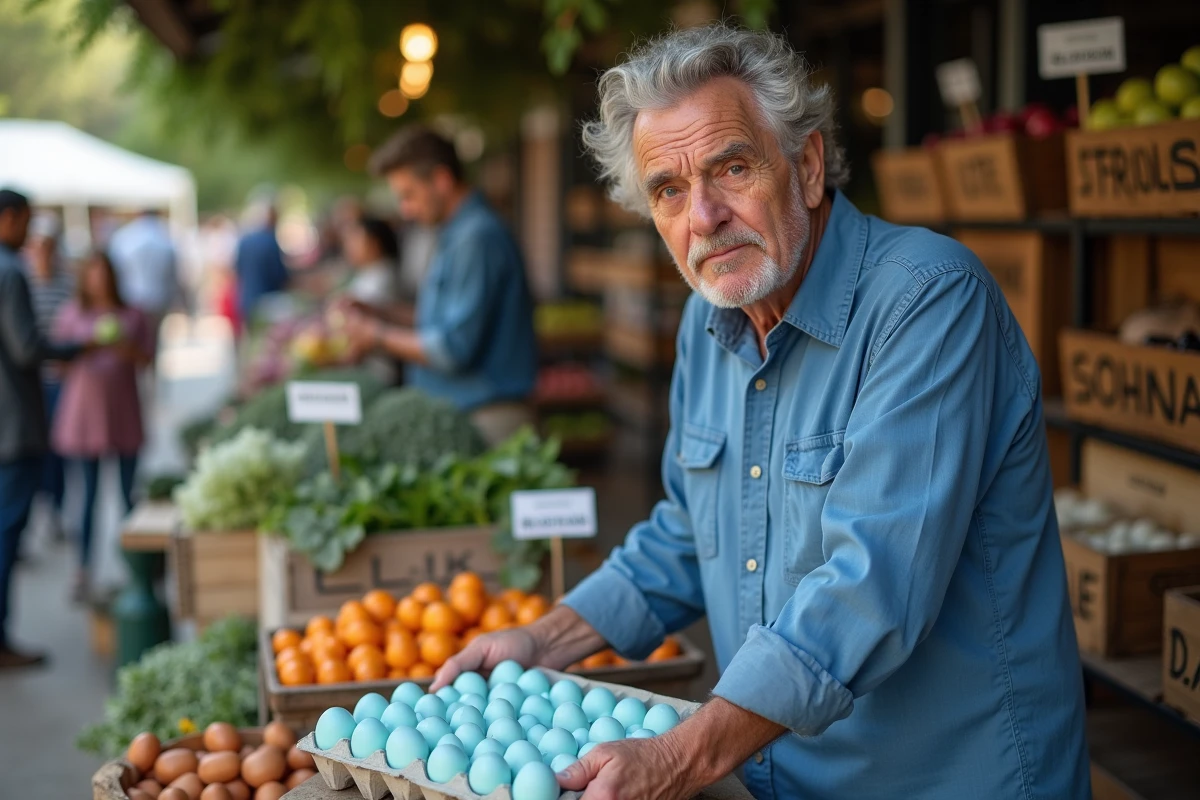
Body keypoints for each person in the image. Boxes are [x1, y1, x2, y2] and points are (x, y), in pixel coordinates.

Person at [432, 25, 1088, 799]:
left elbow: (870, 587)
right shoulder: (709, 321)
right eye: (668, 191)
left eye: (731, 168)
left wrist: (683, 754)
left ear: (806, 167)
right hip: (782, 777)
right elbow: (688, 530)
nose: (702, 216)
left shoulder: (928, 300)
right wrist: (545, 639)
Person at [343, 128, 537, 444]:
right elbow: (439, 322)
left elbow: (452, 348)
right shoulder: (456, 234)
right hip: (471, 414)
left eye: (408, 194)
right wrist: (379, 311)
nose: (405, 209)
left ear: (442, 180)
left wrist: (375, 336)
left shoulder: (476, 238)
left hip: (486, 421)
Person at [0, 189, 81, 669]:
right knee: (7, 532)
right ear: (9, 218)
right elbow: (27, 347)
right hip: (14, 423)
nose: (30, 233)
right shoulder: (10, 271)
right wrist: (75, 348)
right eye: (26, 222)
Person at [52, 253, 153, 602]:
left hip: (123, 414)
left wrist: (124, 348)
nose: (99, 281)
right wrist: (86, 349)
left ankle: (138, 571)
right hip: (84, 418)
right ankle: (83, 570)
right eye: (92, 275)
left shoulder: (132, 315)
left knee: (130, 499)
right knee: (88, 499)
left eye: (104, 274)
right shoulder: (71, 315)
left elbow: (148, 360)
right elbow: (56, 366)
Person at [22, 213, 74, 542]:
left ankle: (55, 509)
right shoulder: (20, 279)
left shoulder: (66, 284)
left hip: (58, 379)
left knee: (58, 452)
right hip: (29, 382)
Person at [107, 208, 179, 333]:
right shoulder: (165, 236)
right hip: (158, 299)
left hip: (130, 297)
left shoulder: (124, 236)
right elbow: (172, 272)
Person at [234, 203, 289, 326]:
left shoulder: (245, 241)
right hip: (266, 303)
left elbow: (238, 269)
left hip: (246, 299)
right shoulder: (270, 242)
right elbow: (279, 275)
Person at [341, 214, 399, 306]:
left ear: (375, 244)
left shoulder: (384, 279)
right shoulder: (368, 271)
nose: (349, 248)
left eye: (356, 241)